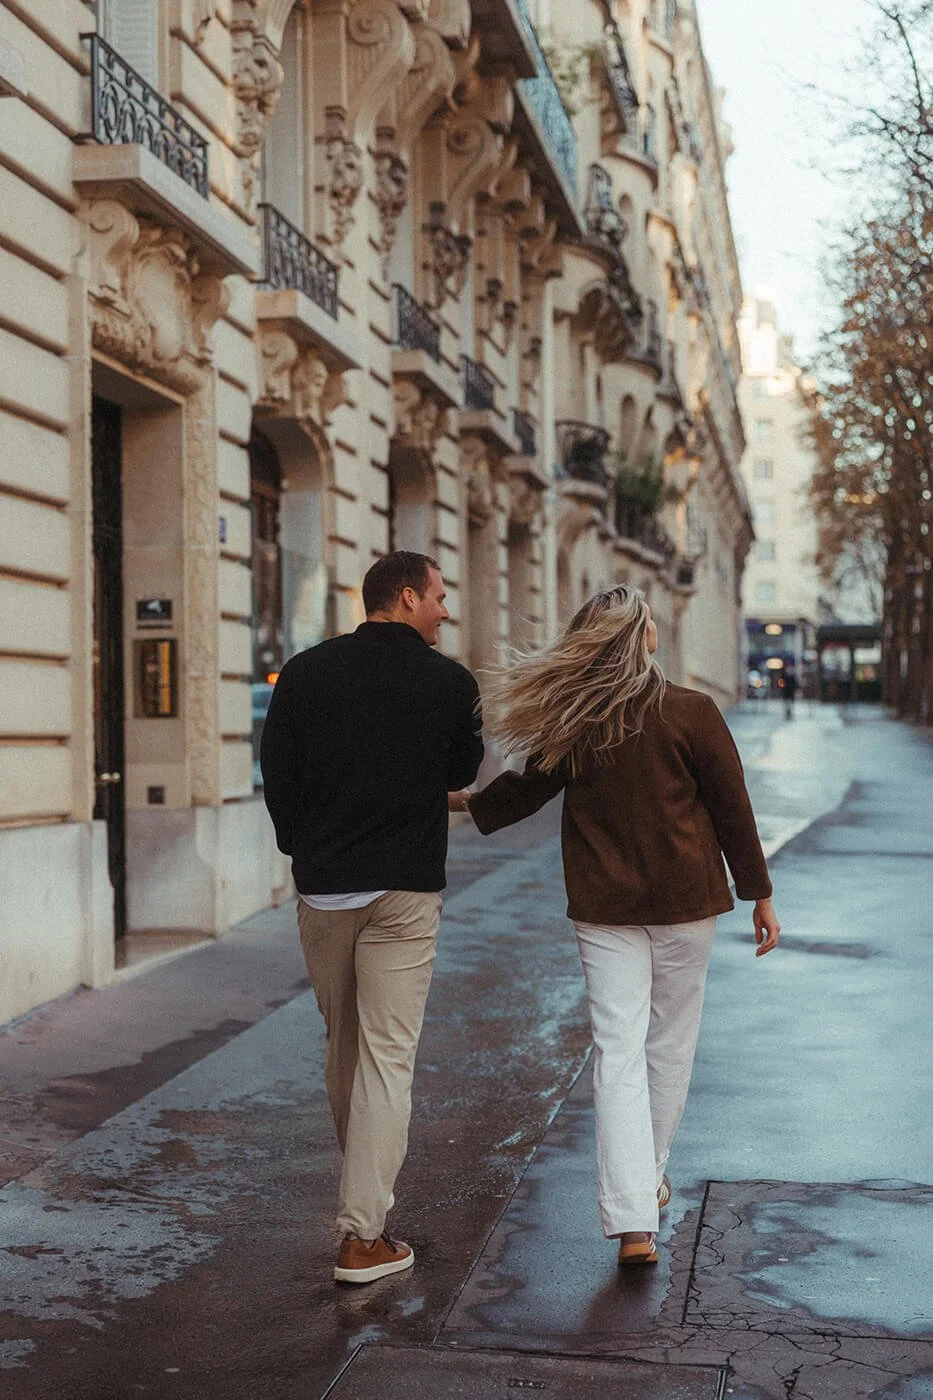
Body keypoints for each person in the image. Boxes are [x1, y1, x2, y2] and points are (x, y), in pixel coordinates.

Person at [450, 585, 779, 1267]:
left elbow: (519, 793)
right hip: (686, 903)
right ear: (643, 637)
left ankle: (634, 1217)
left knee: (617, 1051)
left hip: (604, 908)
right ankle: (642, 1186)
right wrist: (758, 894)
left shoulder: (579, 720)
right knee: (668, 1046)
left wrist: (453, 803)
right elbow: (731, 808)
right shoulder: (690, 711)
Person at [261, 551, 484, 1284]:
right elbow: (458, 772)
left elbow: (279, 774)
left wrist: (302, 847)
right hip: (402, 890)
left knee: (344, 1049)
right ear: (408, 596)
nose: (445, 612)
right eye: (440, 598)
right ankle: (362, 1235)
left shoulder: (304, 671)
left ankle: (363, 1203)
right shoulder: (448, 681)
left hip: (323, 889)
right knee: (388, 1059)